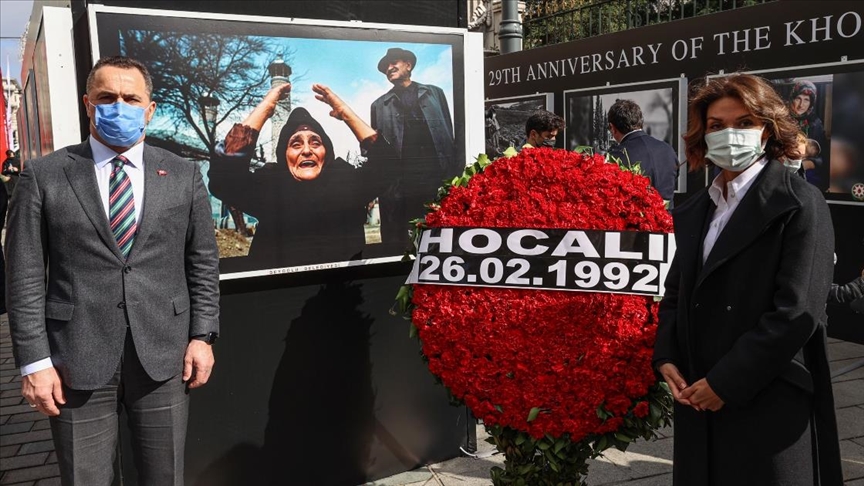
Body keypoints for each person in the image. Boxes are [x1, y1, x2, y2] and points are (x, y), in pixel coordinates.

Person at [5, 56, 221, 485]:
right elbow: (25, 274)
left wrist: (203, 335)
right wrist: (33, 363)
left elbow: (202, 261)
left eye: (130, 97)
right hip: (74, 360)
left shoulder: (182, 174)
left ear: (150, 108)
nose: (118, 105)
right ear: (88, 104)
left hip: (164, 355)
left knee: (165, 476)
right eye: (107, 97)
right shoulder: (44, 175)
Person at [653, 73, 842, 485]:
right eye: (717, 126)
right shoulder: (698, 207)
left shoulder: (799, 203)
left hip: (765, 395)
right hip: (697, 395)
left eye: (743, 123)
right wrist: (666, 355)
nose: (729, 135)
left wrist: (725, 383)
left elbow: (797, 312)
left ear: (767, 130)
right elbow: (676, 289)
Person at [208, 82, 397, 270]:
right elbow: (223, 178)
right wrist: (265, 108)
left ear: (327, 152)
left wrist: (345, 113)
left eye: (315, 142)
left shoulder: (345, 182)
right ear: (284, 155)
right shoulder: (270, 187)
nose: (307, 150)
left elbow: (388, 165)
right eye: (296, 144)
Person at [369, 47, 459, 256]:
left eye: (394, 62)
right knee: (404, 243)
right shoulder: (379, 105)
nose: (389, 68)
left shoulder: (435, 93)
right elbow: (375, 149)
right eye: (385, 67)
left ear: (408, 65)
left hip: (436, 178)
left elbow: (448, 132)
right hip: (402, 185)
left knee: (441, 238)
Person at [606, 99, 678, 203]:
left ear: (612, 128)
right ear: (640, 122)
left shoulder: (615, 156)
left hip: (636, 218)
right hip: (668, 217)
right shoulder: (667, 150)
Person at [787, 80, 828, 190]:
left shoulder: (815, 123)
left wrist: (802, 166)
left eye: (806, 100)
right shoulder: (782, 119)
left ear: (811, 103)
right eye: (798, 98)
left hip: (807, 170)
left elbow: (822, 158)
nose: (801, 105)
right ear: (792, 98)